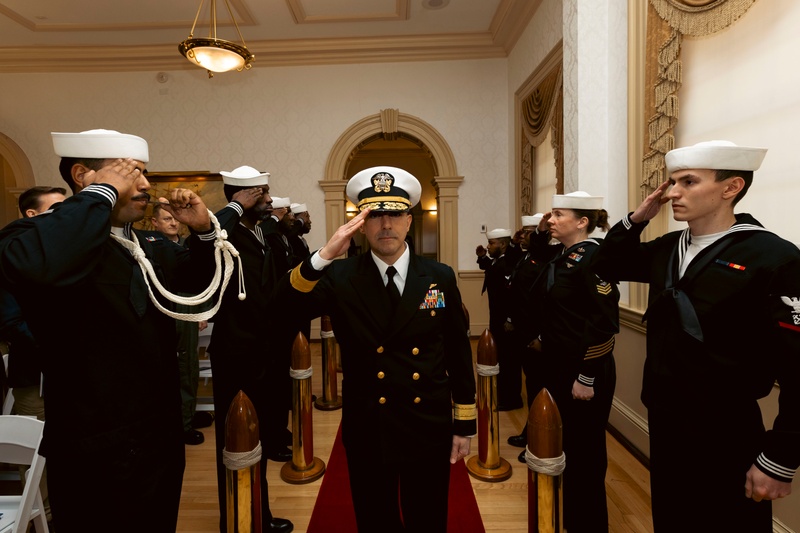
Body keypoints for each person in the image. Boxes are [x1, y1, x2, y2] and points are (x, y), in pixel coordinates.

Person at [0, 129, 218, 531]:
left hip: (158, 437)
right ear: (83, 175)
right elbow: (45, 267)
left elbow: (196, 281)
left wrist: (204, 232)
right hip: (94, 444)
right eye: (128, 173)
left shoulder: (143, 245)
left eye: (143, 173)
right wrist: (98, 194)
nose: (145, 185)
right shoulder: (33, 238)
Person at [592, 140, 800, 532]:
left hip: (727, 429)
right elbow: (606, 264)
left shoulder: (772, 256)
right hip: (667, 417)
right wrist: (636, 220)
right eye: (672, 183)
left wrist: (780, 457)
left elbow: (798, 366)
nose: (672, 193)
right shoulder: (669, 247)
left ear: (731, 187)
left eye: (688, 182)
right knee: (673, 519)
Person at [275, 166, 477, 532]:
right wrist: (323, 255)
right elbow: (282, 306)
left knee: (427, 517)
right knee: (375, 518)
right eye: (375, 215)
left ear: (408, 221)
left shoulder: (439, 276)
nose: (386, 224)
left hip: (427, 422)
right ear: (361, 224)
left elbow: (458, 353)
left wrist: (464, 424)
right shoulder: (340, 276)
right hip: (369, 422)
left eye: (394, 214)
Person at [524, 191, 619, 532]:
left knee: (585, 456)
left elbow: (604, 324)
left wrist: (587, 376)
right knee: (568, 449)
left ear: (582, 222)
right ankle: (570, 517)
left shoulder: (595, 258)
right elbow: (534, 257)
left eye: (558, 214)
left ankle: (588, 525)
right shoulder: (567, 255)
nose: (551, 220)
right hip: (560, 366)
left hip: (584, 371)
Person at [207, 165, 293, 533]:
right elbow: (211, 230)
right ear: (245, 196)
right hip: (235, 352)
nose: (270, 199)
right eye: (263, 193)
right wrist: (237, 204)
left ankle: (258, 511)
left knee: (255, 437)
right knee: (237, 440)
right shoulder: (223, 229)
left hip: (262, 349)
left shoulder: (256, 231)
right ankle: (237, 518)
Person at [0, 185, 66, 525]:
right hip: (34, 372)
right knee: (37, 449)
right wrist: (56, 347)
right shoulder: (12, 252)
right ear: (31, 214)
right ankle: (41, 518)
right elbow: (11, 320)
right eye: (56, 208)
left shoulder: (60, 249)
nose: (65, 215)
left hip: (69, 372)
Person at [150, 202, 212, 445]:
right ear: (154, 222)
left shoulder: (186, 245)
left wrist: (199, 311)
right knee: (175, 371)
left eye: (175, 218)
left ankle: (188, 414)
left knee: (189, 367)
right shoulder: (151, 247)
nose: (173, 223)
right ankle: (180, 424)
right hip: (167, 313)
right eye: (167, 219)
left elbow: (196, 283)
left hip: (188, 310)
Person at [505, 213, 547, 448]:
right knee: (531, 385)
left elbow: (544, 303)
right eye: (523, 231)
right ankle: (532, 431)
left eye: (529, 233)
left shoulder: (543, 260)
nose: (524, 236)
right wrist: (514, 241)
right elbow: (509, 263)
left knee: (539, 387)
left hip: (536, 335)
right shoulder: (525, 257)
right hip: (524, 332)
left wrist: (540, 336)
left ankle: (538, 438)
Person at [476, 228, 521, 410]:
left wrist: (510, 319)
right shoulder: (498, 261)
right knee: (501, 357)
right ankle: (503, 395)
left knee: (509, 361)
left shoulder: (509, 261)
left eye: (492, 243)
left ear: (503, 244)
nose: (488, 246)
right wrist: (482, 257)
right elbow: (491, 269)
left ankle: (511, 400)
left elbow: (514, 295)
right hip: (496, 317)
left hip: (506, 321)